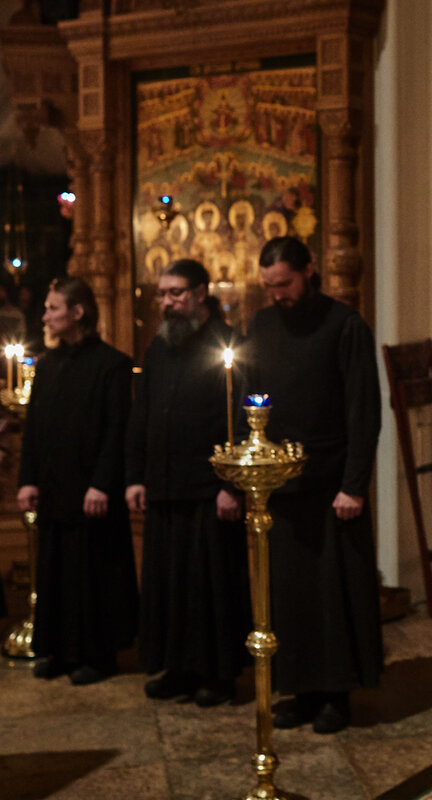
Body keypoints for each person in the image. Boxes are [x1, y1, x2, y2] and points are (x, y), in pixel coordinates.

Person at [242, 236, 382, 734]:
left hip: (331, 486)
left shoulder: (344, 325)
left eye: (284, 283)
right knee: (290, 596)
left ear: (308, 270)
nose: (277, 293)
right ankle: (299, 690)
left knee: (331, 595)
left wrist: (354, 485)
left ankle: (334, 696)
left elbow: (363, 411)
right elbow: (249, 397)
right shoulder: (260, 325)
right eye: (269, 286)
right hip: (279, 483)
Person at [126, 259, 251, 706]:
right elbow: (142, 415)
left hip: (208, 488)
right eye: (162, 294)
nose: (167, 302)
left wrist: (231, 485)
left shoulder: (228, 343)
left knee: (209, 587)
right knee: (168, 584)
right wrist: (135, 476)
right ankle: (177, 667)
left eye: (175, 293)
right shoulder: (158, 349)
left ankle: (215, 675)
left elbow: (238, 420)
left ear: (200, 293)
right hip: (162, 485)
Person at [17, 276, 137, 685]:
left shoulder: (112, 365)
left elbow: (117, 429)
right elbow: (34, 428)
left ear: (78, 313)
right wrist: (27, 480)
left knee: (93, 573)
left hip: (92, 491)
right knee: (57, 572)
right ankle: (60, 651)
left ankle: (98, 654)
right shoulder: (48, 366)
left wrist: (102, 484)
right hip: (54, 488)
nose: (46, 316)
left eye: (53, 308)